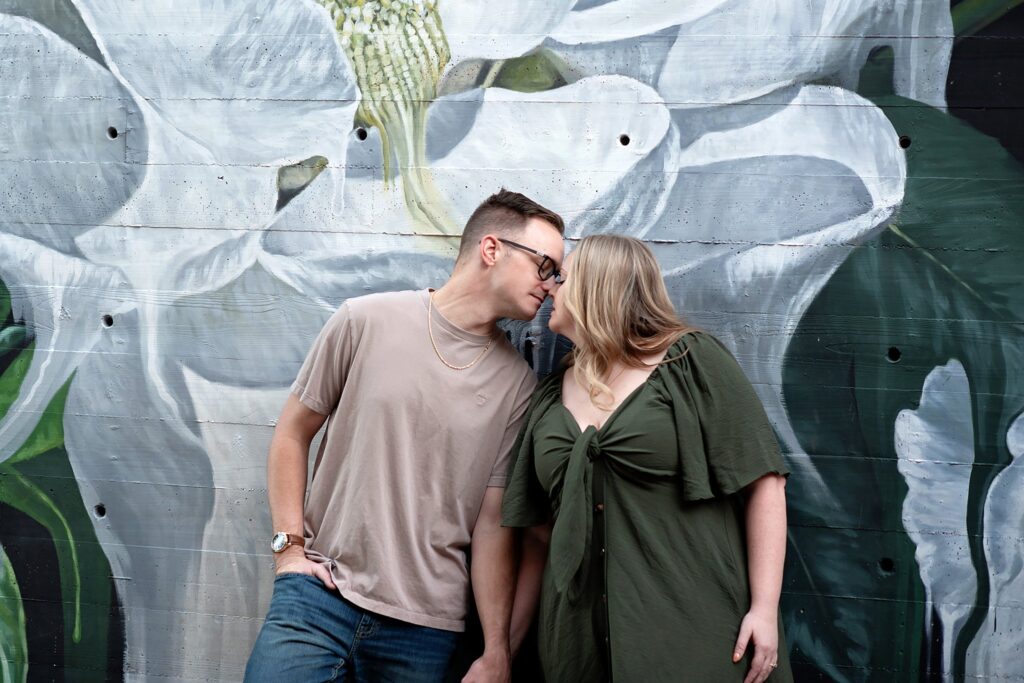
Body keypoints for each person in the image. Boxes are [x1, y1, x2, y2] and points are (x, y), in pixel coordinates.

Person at [243, 189, 565, 683]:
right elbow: (292, 431)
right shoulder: (365, 319)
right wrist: (289, 549)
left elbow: (493, 523)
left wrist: (497, 648)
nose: (551, 284)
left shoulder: (519, 384)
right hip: (318, 600)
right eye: (545, 265)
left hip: (424, 631)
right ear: (492, 248)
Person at [502, 234, 793, 682]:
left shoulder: (691, 363)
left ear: (597, 287)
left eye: (564, 277)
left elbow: (765, 483)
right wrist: (500, 651)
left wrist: (765, 610)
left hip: (691, 632)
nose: (552, 288)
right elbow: (537, 537)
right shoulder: (548, 396)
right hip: (576, 645)